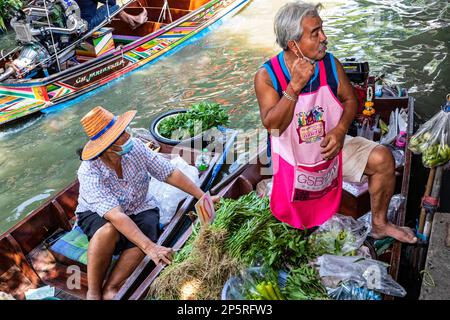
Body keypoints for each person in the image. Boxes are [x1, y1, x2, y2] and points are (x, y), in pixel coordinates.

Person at [254, 1, 417, 244]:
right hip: (291, 159)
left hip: (330, 148)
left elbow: (350, 100)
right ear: (293, 45)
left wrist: (340, 131)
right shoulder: (267, 76)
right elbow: (273, 126)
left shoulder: (330, 64)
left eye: (322, 29)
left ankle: (380, 224)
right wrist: (294, 86)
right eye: (315, 33)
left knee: (383, 158)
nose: (324, 37)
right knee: (293, 228)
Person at [75, 106, 217, 300]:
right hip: (98, 214)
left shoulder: (136, 148)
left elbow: (168, 172)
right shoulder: (89, 171)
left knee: (148, 228)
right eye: (120, 135)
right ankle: (93, 291)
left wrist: (202, 196)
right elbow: (115, 215)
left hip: (140, 206)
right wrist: (150, 248)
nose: (127, 137)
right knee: (109, 230)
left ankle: (112, 288)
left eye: (123, 131)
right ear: (106, 147)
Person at [75, 0, 148, 31]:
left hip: (74, 24)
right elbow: (112, 2)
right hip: (85, 26)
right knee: (113, 8)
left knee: (106, 8)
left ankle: (133, 20)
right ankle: (134, 21)